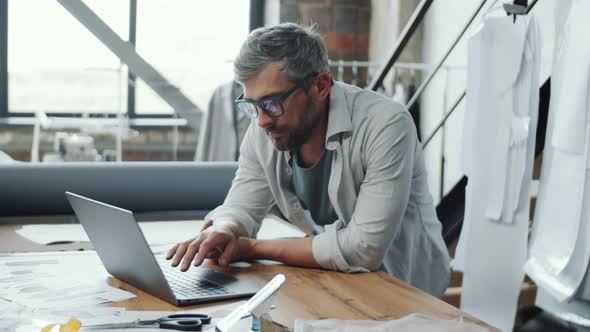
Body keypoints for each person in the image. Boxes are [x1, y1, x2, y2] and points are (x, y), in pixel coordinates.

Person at [167, 23, 450, 297]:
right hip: (334, 278)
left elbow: (363, 248)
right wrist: (224, 229)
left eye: (271, 103)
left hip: (405, 288)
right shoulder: (265, 127)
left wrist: (252, 248)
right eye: (251, 105)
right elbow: (241, 205)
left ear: (321, 86)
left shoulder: (387, 124)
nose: (262, 120)